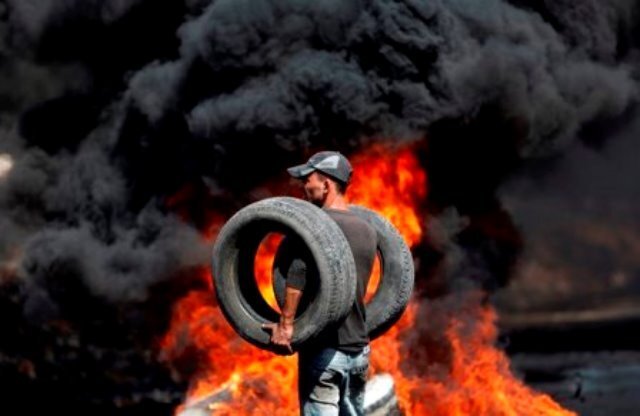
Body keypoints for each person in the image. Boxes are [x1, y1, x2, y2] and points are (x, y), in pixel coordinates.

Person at [262, 151, 377, 416]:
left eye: (308, 179)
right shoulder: (368, 231)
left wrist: (286, 325)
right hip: (359, 352)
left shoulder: (313, 228)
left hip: (324, 351)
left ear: (326, 184)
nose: (304, 186)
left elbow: (298, 272)